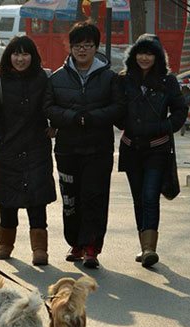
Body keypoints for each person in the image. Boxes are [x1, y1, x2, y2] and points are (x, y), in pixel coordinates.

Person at [43, 21, 124, 269]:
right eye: (78, 45)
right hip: (67, 149)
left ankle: (91, 247)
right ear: (71, 47)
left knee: (94, 197)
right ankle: (75, 243)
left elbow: (118, 108)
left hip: (98, 149)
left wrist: (91, 117)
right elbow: (48, 108)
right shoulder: (57, 77)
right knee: (71, 199)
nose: (82, 50)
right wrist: (71, 118)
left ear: (96, 47)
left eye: (88, 45)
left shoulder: (109, 77)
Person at [0, 36, 56, 266]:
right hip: (8, 151)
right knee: (8, 201)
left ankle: (39, 249)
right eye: (16, 54)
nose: (20, 58)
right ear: (9, 56)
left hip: (37, 150)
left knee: (37, 201)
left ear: (32, 56)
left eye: (25, 54)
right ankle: (5, 243)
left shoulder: (44, 79)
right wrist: (0, 142)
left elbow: (54, 105)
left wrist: (55, 126)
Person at [117, 34, 187, 267]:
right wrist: (123, 122)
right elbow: (115, 108)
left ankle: (149, 248)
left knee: (149, 196)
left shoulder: (168, 81)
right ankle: (143, 244)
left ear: (157, 57)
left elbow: (180, 111)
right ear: (133, 55)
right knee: (139, 198)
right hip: (131, 148)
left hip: (157, 149)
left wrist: (163, 128)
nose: (144, 58)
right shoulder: (124, 80)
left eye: (149, 53)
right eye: (140, 53)